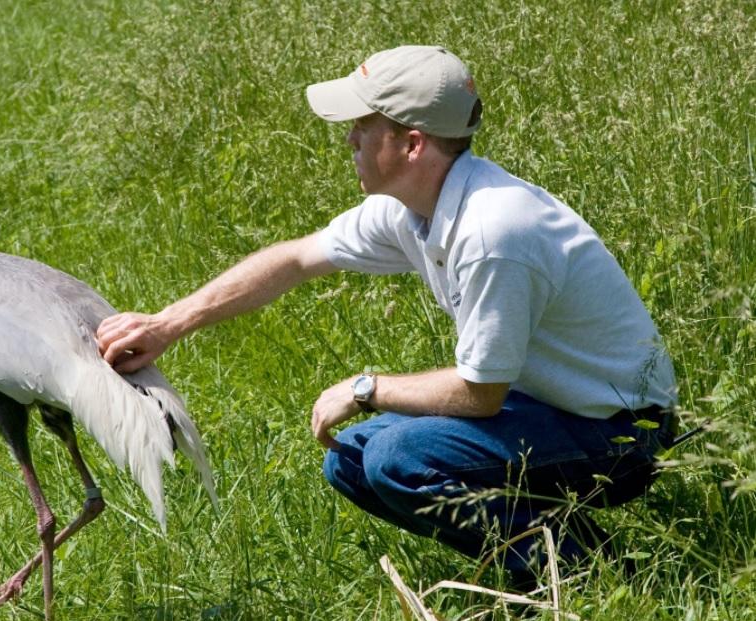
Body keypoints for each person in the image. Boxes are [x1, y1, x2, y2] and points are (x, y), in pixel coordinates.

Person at [95, 45, 677, 586]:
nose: (348, 139)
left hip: (622, 432)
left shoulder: (493, 232)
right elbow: (296, 258)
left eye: (362, 126)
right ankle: (547, 560)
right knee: (353, 460)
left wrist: (366, 388)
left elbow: (481, 396)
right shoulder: (411, 208)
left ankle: (600, 577)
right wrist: (166, 325)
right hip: (549, 406)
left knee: (399, 459)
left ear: (412, 144)